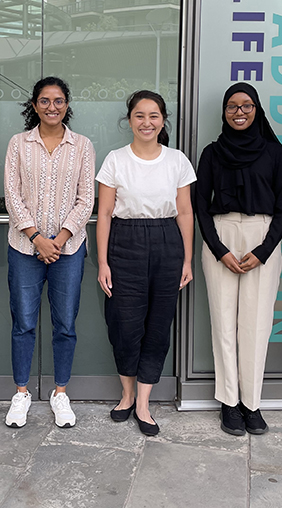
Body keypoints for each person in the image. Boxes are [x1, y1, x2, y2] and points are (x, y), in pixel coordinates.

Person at [194, 83, 282, 437]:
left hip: (262, 238)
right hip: (219, 237)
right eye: (232, 106)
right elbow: (199, 206)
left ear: (257, 110)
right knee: (223, 323)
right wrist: (219, 249)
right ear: (224, 111)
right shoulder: (211, 153)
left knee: (256, 325)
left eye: (246, 106)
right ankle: (229, 401)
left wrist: (263, 251)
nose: (239, 112)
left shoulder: (274, 152)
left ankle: (252, 402)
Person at [96, 90, 195, 436]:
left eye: (153, 116)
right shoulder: (115, 160)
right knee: (125, 324)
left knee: (157, 326)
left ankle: (143, 403)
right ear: (130, 120)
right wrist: (103, 262)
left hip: (167, 242)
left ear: (163, 120)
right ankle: (125, 395)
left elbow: (185, 212)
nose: (147, 122)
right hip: (125, 243)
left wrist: (187, 259)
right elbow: (105, 213)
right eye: (140, 116)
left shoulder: (177, 160)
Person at [3, 77, 95, 429]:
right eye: (45, 101)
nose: (52, 107)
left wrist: (60, 238)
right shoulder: (18, 144)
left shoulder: (83, 146)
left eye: (58, 101)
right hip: (24, 248)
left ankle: (59, 393)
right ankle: (22, 393)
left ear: (67, 105)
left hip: (68, 250)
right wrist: (37, 238)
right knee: (23, 323)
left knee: (65, 324)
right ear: (34, 105)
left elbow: (86, 199)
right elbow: (12, 195)